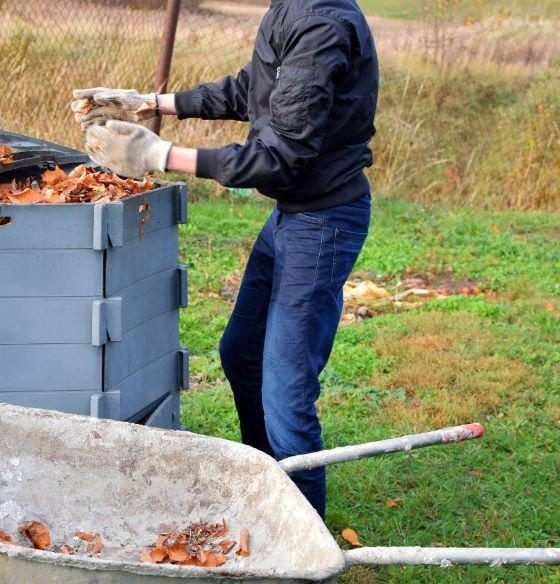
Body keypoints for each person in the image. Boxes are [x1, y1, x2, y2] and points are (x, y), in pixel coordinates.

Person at [72, 0, 378, 519]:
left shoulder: (322, 27)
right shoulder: (292, 10)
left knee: (287, 393)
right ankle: (269, 490)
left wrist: (159, 157)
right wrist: (152, 102)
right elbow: (251, 90)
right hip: (292, 218)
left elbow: (280, 157)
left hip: (321, 223)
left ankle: (302, 539)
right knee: (241, 353)